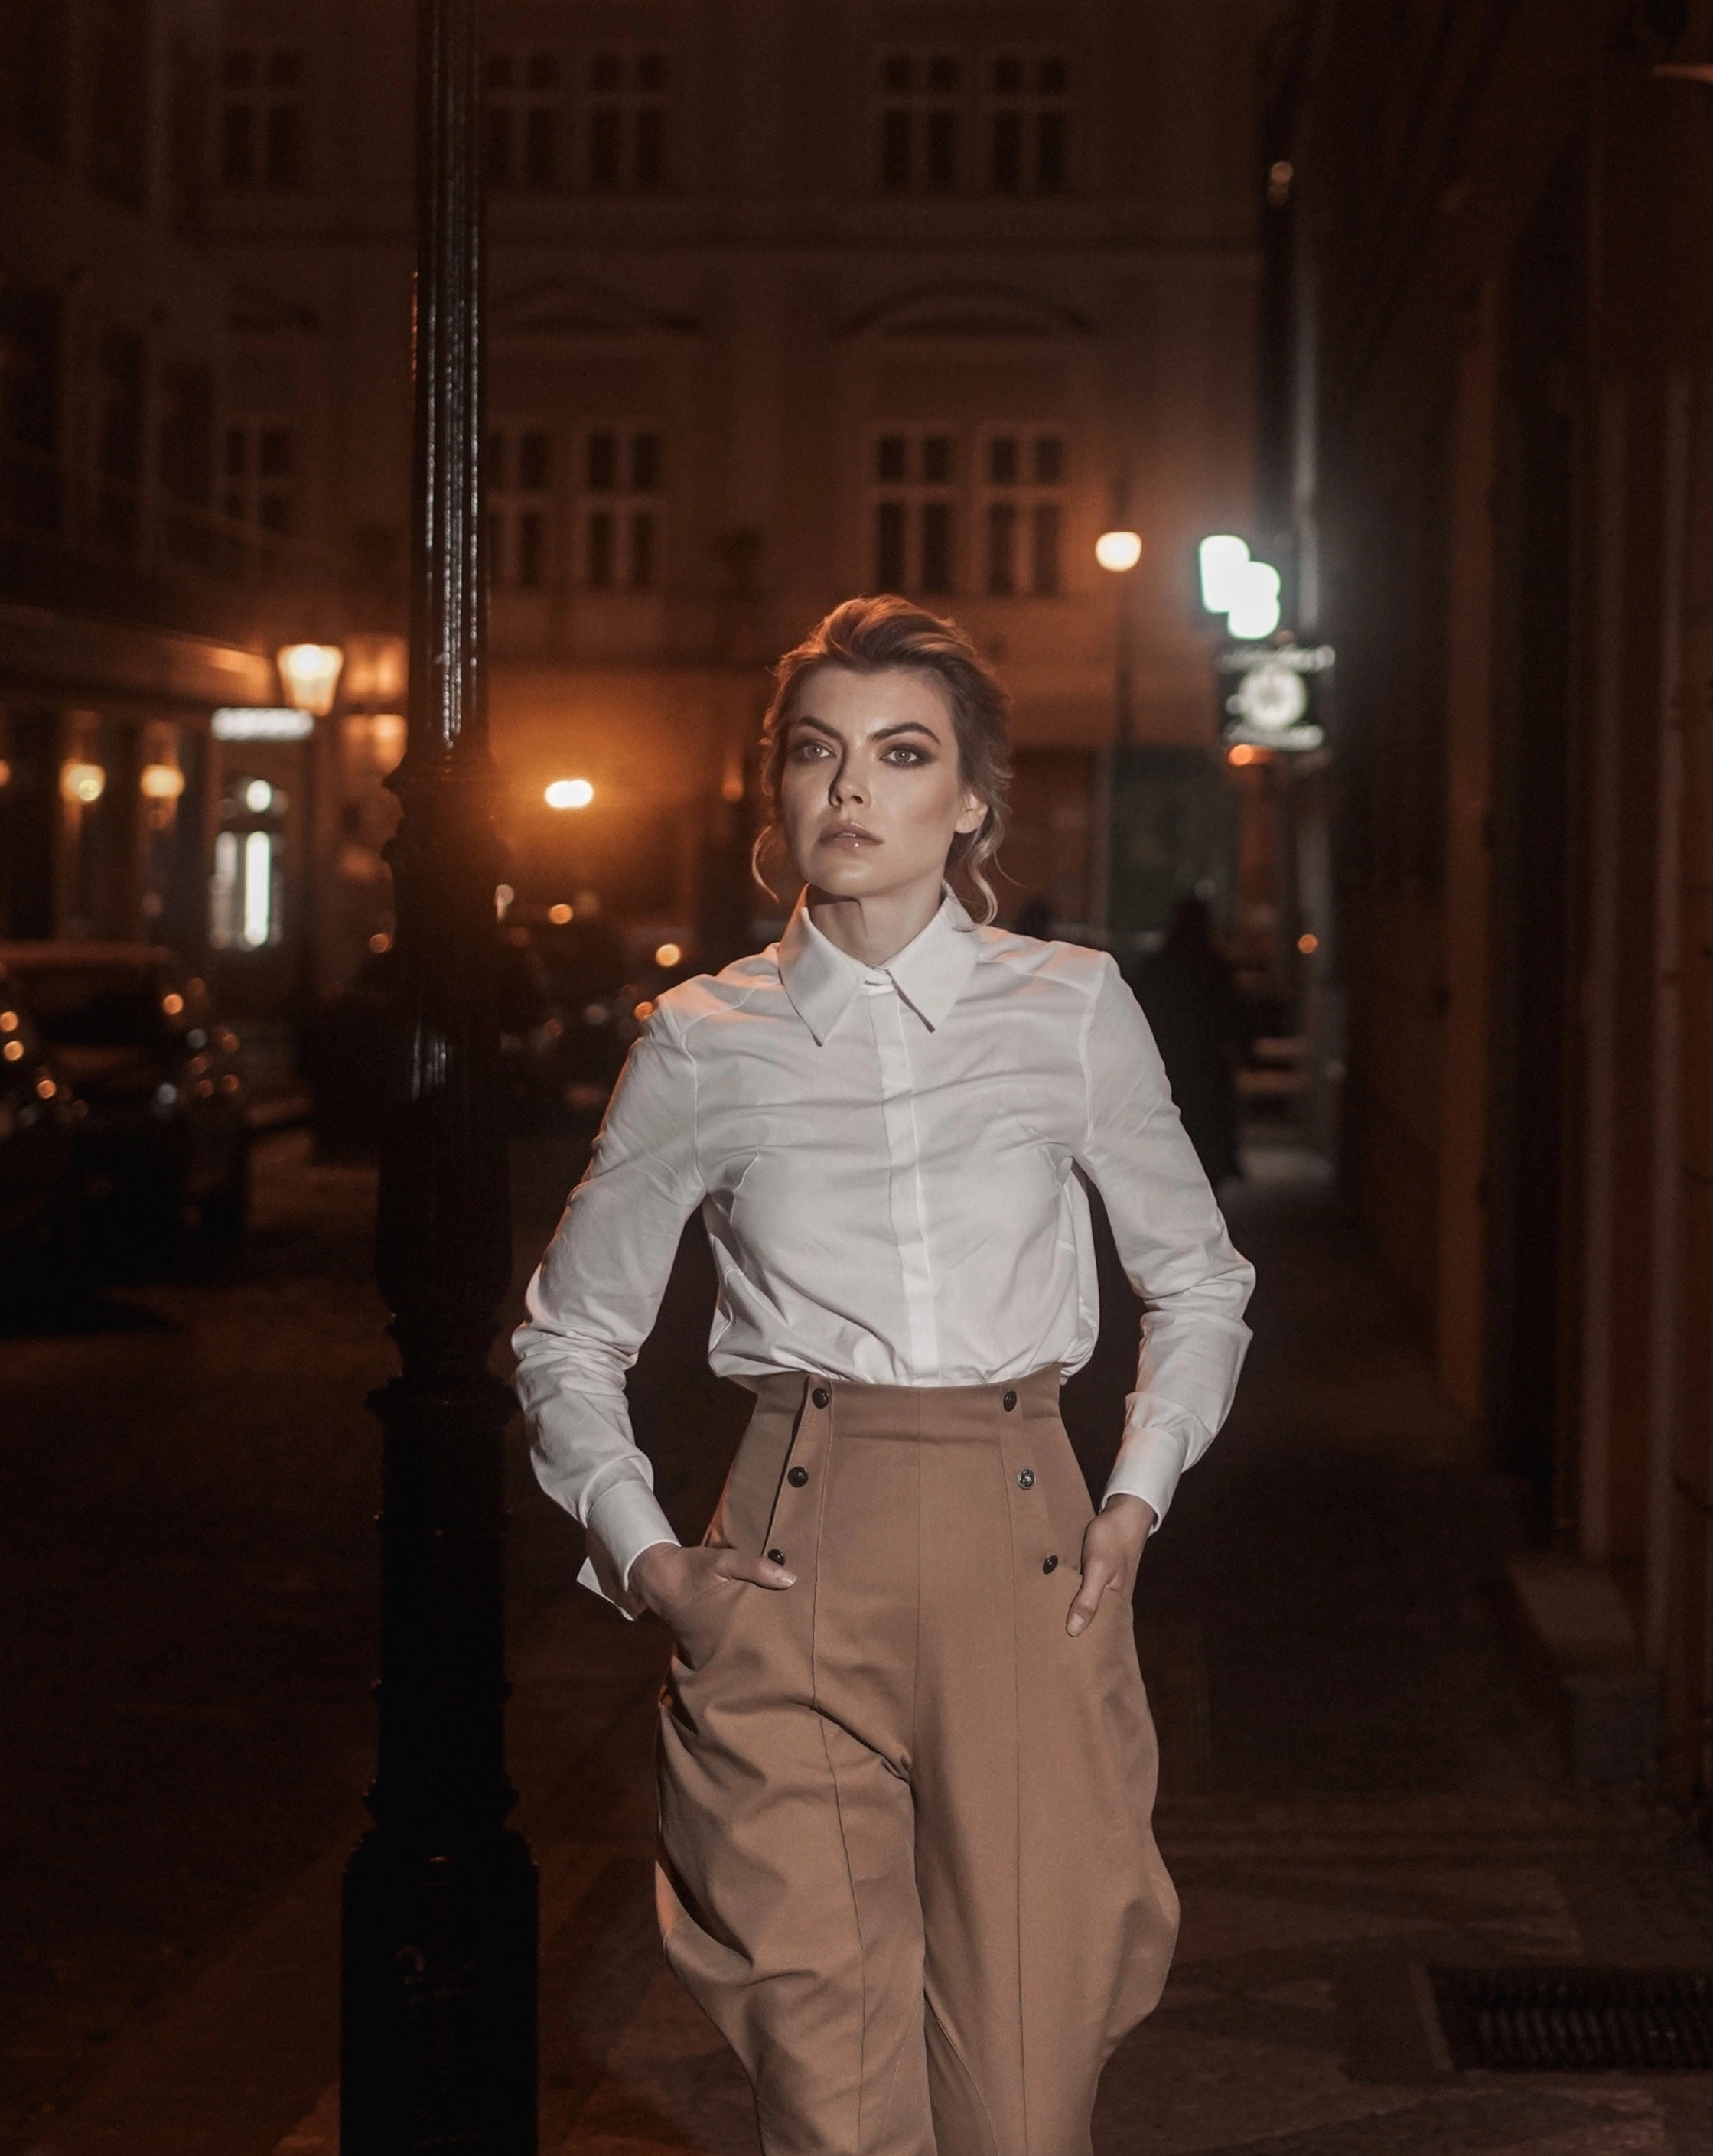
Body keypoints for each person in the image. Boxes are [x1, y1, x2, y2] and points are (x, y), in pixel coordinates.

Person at [513, 595, 1255, 2156]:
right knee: (831, 2097)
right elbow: (568, 1331)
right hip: (789, 1551)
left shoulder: (1069, 1008)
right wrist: (651, 1560)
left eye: (899, 753)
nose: (848, 790)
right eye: (815, 752)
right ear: (777, 792)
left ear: (971, 795)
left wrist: (1133, 1499)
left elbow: (1196, 1279)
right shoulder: (699, 1038)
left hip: (1025, 1546)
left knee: (1020, 2101)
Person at [1130, 893, 1246, 1192]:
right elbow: (1236, 1020)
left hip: (1171, 1070)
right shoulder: (1213, 968)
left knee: (1172, 1151)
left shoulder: (1159, 968)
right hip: (1200, 1072)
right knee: (1203, 1154)